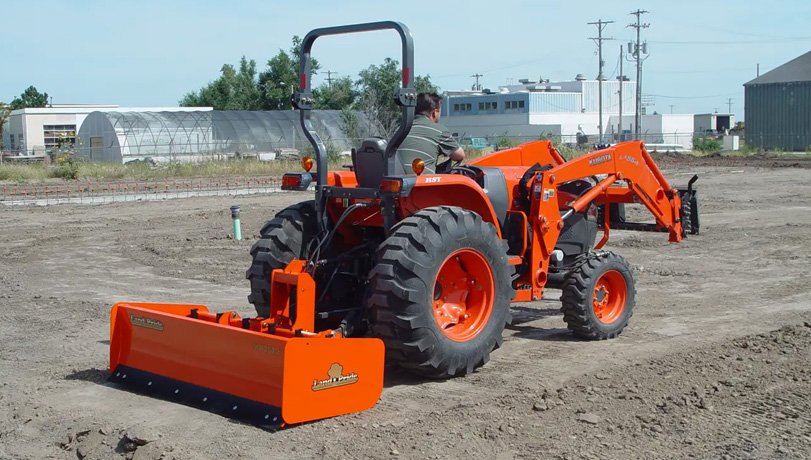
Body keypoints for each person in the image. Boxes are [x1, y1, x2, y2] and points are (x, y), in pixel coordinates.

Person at [398, 92, 465, 174]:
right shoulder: (439, 131)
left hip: (397, 179)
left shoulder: (400, 129)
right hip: (422, 183)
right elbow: (460, 155)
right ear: (434, 112)